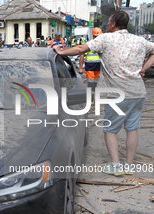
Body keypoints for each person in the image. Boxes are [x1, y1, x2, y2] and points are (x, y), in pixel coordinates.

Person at [53, 11, 154, 176]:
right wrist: (144, 68)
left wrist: (61, 52)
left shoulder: (105, 38)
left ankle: (116, 166)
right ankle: (128, 166)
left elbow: (81, 48)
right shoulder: (140, 41)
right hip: (138, 93)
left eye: (108, 23)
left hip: (117, 94)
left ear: (113, 24)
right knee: (132, 128)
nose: (106, 25)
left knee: (110, 130)